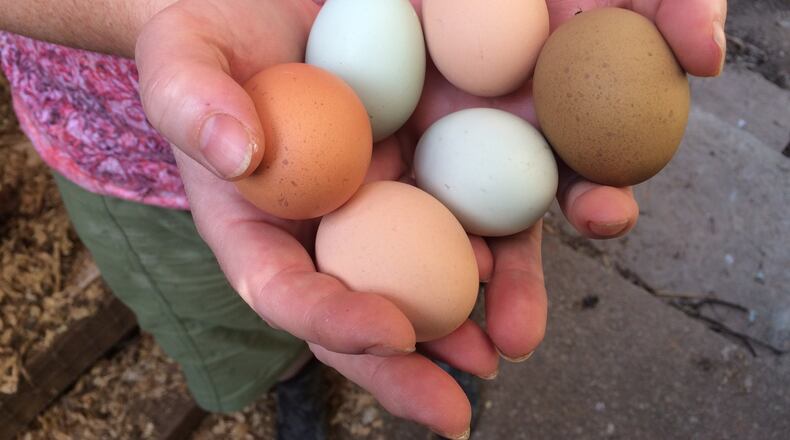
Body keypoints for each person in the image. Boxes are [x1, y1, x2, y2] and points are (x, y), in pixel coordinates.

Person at [0, 0, 726, 438]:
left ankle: (337, 358)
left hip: (364, 98)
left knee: (400, 292)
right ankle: (288, 382)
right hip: (122, 142)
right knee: (221, 313)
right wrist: (144, 11)